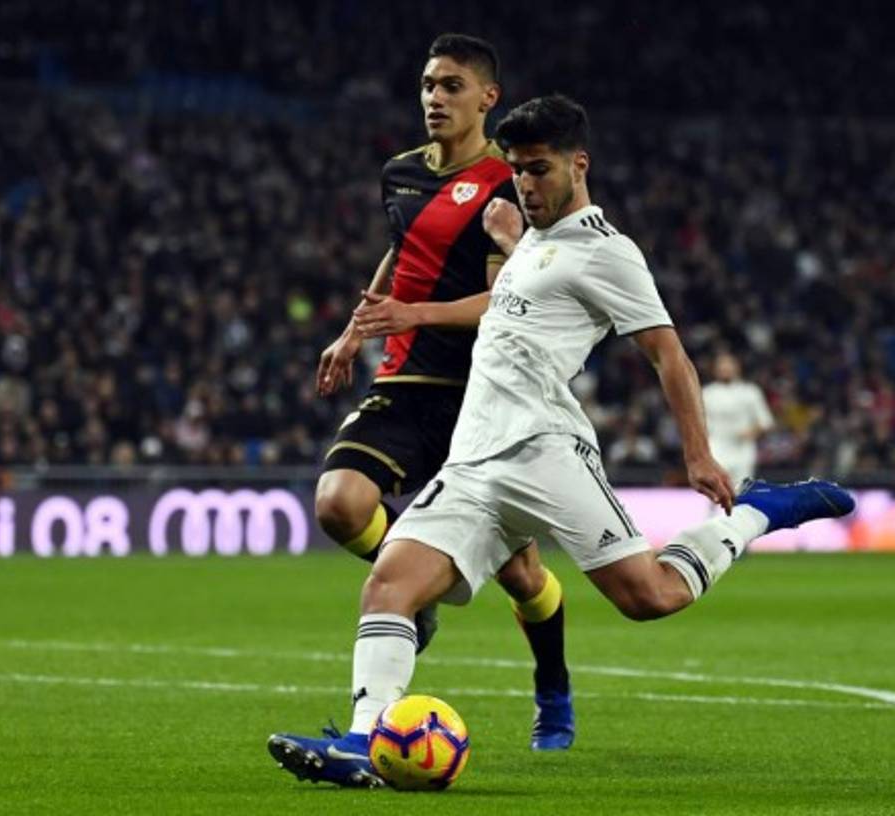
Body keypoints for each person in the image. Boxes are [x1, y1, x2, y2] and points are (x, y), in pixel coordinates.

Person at [268, 94, 855, 788]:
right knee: (387, 588)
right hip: (474, 462)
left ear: (580, 165)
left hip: (545, 453)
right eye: (516, 169)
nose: (525, 182)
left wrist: (698, 453)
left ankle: (757, 511)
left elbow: (670, 356)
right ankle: (365, 743)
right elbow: (535, 292)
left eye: (540, 169)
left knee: (649, 597)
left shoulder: (611, 254)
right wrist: (515, 239)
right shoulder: (534, 237)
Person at [309, 33, 575, 754]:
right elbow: (403, 249)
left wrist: (415, 314)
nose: (434, 98)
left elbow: (505, 297)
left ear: (488, 98)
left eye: (451, 86)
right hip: (404, 379)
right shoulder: (400, 173)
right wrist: (352, 329)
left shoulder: (504, 184)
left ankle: (553, 686)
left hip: (481, 395)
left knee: (522, 574)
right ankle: (412, 603)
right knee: (338, 503)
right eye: (428, 85)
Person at [702, 351, 775, 488]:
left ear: (737, 367)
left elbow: (766, 421)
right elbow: (699, 424)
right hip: (716, 447)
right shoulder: (707, 393)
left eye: (729, 364)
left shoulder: (750, 391)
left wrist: (753, 431)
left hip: (743, 450)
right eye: (721, 365)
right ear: (715, 369)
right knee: (716, 488)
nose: (725, 368)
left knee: (741, 491)